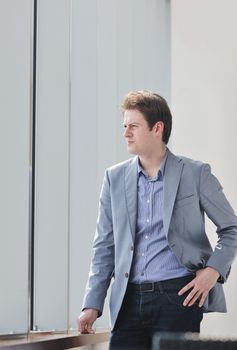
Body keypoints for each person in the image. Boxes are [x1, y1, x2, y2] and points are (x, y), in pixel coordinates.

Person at [77, 91, 237, 349]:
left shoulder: (195, 173)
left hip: (178, 298)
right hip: (128, 301)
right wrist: (92, 303)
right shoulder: (114, 178)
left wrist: (213, 271)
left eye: (133, 126)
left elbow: (231, 229)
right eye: (124, 126)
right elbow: (104, 247)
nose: (126, 133)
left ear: (157, 128)